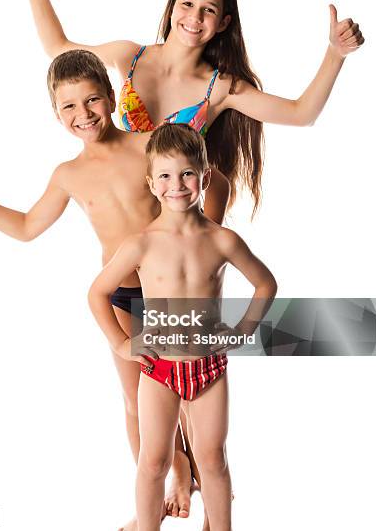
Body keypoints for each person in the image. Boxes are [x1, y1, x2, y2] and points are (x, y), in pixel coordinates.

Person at [0, 50, 214, 529]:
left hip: (172, 294)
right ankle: (159, 492)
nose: (83, 114)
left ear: (111, 98)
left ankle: (208, 491)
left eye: (92, 100)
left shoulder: (150, 145)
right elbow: (27, 226)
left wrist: (205, 236)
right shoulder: (68, 175)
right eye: (68, 107)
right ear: (55, 113)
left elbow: (218, 181)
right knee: (136, 402)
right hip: (122, 299)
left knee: (190, 398)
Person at [9, 0, 364, 219]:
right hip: (128, 221)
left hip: (181, 228)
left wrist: (335, 54)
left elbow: (302, 114)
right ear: (172, 6)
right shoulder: (129, 57)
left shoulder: (221, 88)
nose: (194, 17)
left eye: (208, 10)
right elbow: (59, 48)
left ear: (223, 23)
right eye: (187, 3)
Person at [88, 124, 278, 531]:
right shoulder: (140, 243)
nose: (178, 185)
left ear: (205, 178)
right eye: (166, 176)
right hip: (159, 370)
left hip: (208, 369)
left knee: (212, 459)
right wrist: (122, 344)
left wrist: (243, 329)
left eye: (188, 174)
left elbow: (266, 283)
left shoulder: (223, 240)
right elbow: (97, 293)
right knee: (153, 461)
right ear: (152, 184)